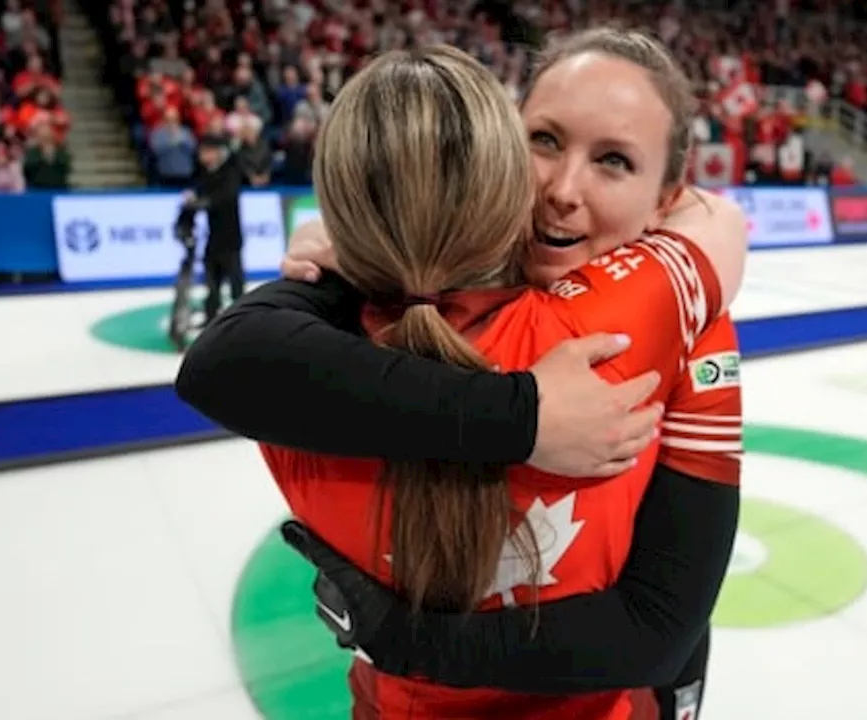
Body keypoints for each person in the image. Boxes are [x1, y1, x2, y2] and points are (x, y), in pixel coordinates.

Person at [176, 28, 748, 720]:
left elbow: (223, 361)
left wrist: (411, 641)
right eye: (545, 140)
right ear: (504, 142)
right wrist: (522, 413)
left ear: (667, 202)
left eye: (614, 161)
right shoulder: (669, 306)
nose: (564, 189)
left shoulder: (331, 334)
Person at [182, 134, 246, 324]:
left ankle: (242, 318)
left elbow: (225, 198)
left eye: (206, 152)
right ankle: (211, 316)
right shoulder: (205, 173)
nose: (202, 156)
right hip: (214, 238)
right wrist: (193, 200)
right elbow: (199, 192)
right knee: (212, 282)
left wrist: (202, 202)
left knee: (235, 283)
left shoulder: (230, 172)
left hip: (231, 238)